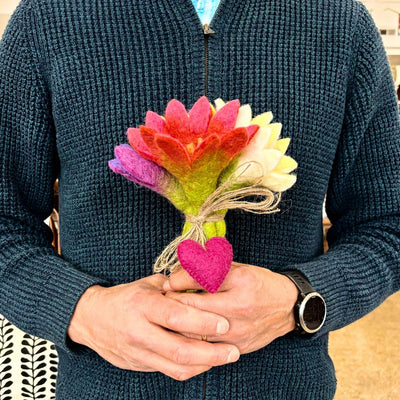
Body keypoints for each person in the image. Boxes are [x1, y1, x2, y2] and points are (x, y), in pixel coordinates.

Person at [0, 0, 399, 399]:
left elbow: (388, 225)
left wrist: (302, 300)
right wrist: (81, 311)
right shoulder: (47, 19)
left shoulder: (342, 24)